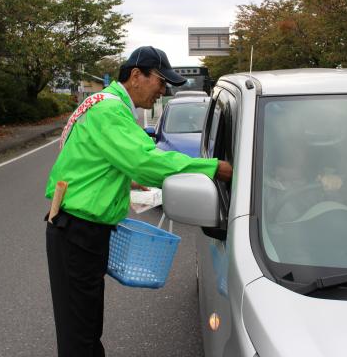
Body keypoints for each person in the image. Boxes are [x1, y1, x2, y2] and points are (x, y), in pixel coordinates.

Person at [44, 45, 232, 357]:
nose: (163, 91)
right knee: (80, 333)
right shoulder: (110, 110)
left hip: (76, 228)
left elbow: (88, 158)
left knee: (83, 324)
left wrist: (122, 177)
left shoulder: (103, 103)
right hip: (77, 231)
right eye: (160, 82)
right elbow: (147, 161)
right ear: (136, 75)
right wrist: (212, 167)